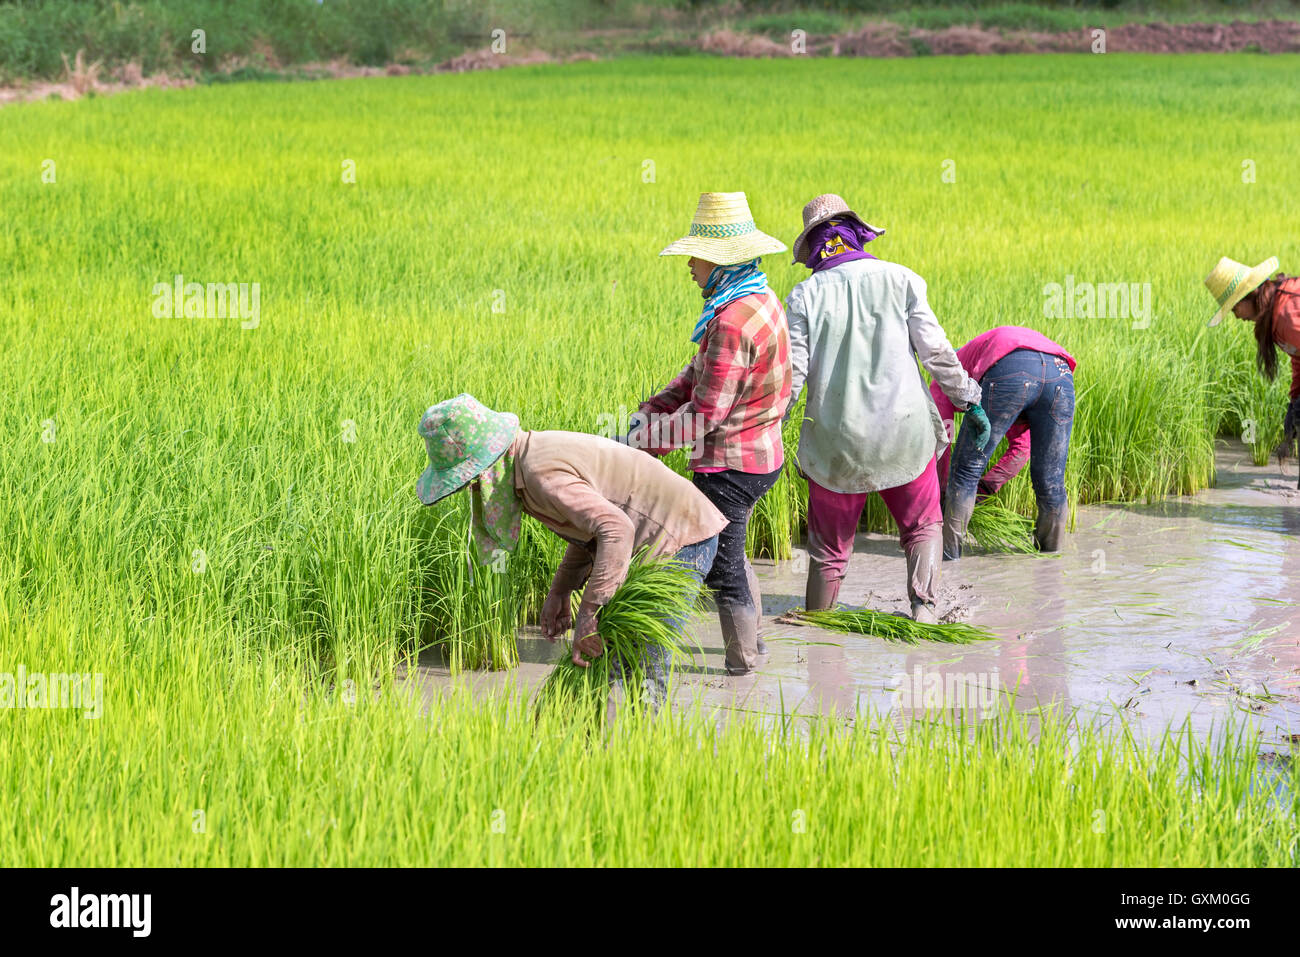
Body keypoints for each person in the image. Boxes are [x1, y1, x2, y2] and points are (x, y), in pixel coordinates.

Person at [416, 393, 726, 704]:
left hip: (680, 538)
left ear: (487, 465)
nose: (473, 489)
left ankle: (645, 738)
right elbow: (590, 530)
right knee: (611, 650)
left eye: (471, 480)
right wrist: (561, 591)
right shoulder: (527, 460)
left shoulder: (540, 474)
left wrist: (588, 614)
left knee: (645, 656)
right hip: (648, 542)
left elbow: (616, 530)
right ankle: (603, 734)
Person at [784, 194, 986, 623]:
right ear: (856, 234)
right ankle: (925, 612)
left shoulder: (804, 296)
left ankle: (819, 630)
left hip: (836, 443)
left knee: (828, 550)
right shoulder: (902, 279)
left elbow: (793, 377)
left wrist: (768, 424)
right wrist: (967, 395)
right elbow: (937, 353)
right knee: (922, 526)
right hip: (905, 433)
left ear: (816, 247)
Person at [632, 191, 792, 676]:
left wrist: (642, 441)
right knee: (733, 547)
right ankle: (754, 646)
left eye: (695, 257)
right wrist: (656, 407)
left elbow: (705, 416)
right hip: (763, 452)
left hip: (732, 464)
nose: (690, 267)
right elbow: (698, 374)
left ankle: (743, 667)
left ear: (719, 261)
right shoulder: (757, 296)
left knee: (720, 564)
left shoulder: (731, 322)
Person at [935, 326, 1077, 559]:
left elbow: (942, 438)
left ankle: (948, 559)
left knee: (964, 473)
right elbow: (1022, 449)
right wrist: (987, 487)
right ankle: (1051, 564)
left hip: (1010, 366)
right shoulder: (977, 356)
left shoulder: (944, 376)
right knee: (1051, 482)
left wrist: (943, 492)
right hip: (1060, 374)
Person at [1204, 256, 1300, 456]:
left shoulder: (1287, 315)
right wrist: (1294, 399)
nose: (1237, 317)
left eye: (1234, 308)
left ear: (1250, 295)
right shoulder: (1275, 317)